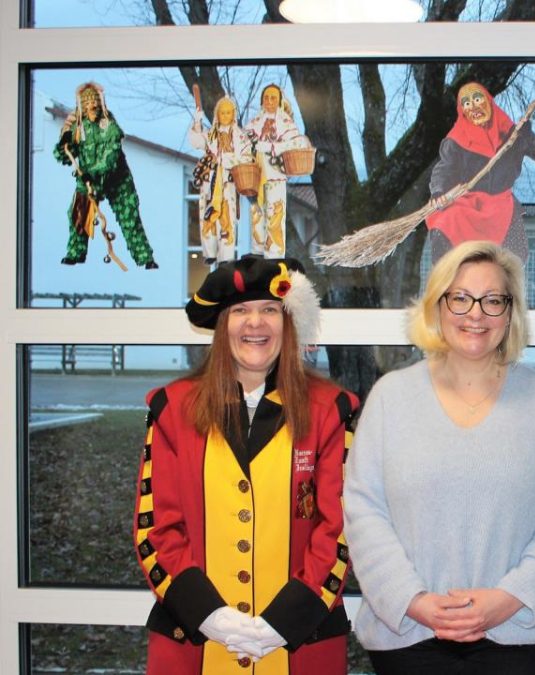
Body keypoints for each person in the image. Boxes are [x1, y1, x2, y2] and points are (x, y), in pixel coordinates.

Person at [344, 241, 535, 675]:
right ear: (437, 307)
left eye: (493, 300)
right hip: (410, 638)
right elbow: (365, 512)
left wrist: (508, 600)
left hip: (520, 636)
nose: (476, 314)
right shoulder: (390, 398)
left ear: (510, 313)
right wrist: (414, 602)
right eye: (460, 298)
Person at [133, 255, 359, 674]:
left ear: (288, 323)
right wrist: (211, 617)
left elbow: (339, 529)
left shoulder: (331, 410)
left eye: (270, 310)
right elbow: (156, 527)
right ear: (222, 327)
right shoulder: (172, 409)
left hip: (300, 644)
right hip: (193, 643)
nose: (255, 323)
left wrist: (280, 623)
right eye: (240, 311)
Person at [426, 82, 535, 265]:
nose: (474, 107)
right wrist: (439, 191)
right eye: (467, 104)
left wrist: (528, 136)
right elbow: (444, 169)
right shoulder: (456, 140)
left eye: (478, 99)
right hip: (468, 207)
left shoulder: (512, 135)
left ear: (489, 102)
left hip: (503, 208)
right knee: (444, 225)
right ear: (462, 110)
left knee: (514, 257)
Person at [54, 81, 157, 268]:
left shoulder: (109, 124)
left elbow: (112, 155)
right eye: (87, 103)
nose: (92, 106)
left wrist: (90, 173)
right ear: (82, 107)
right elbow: (63, 157)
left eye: (95, 101)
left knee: (130, 216)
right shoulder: (78, 128)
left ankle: (145, 258)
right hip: (87, 181)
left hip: (118, 180)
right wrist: (64, 140)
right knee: (78, 213)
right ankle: (76, 253)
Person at [244, 84, 303, 258]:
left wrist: (271, 147)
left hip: (276, 174)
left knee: (275, 212)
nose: (269, 101)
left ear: (279, 100)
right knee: (257, 212)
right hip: (256, 174)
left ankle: (275, 253)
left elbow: (296, 143)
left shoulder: (285, 122)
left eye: (273, 98)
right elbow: (243, 142)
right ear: (262, 100)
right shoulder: (254, 122)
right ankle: (258, 249)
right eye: (266, 97)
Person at [188, 96, 248, 266]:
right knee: (207, 216)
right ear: (217, 114)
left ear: (233, 114)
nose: (225, 115)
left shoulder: (239, 136)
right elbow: (196, 141)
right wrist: (197, 123)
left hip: (228, 181)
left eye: (228, 112)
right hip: (210, 181)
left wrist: (227, 159)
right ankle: (210, 252)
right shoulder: (210, 133)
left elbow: (245, 156)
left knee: (227, 218)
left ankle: (226, 256)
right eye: (222, 112)